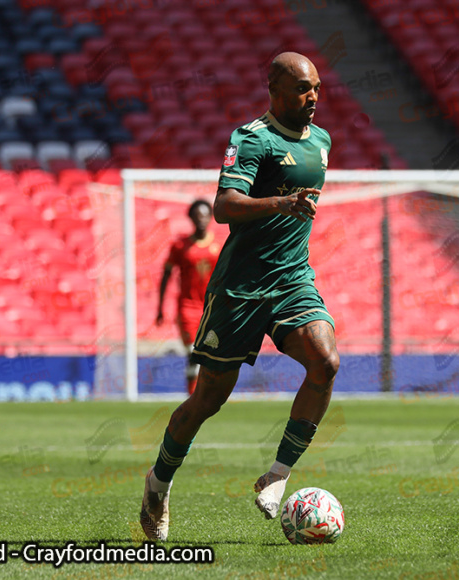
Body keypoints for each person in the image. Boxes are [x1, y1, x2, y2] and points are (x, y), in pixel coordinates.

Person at [140, 52, 338, 541]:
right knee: (208, 398)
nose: (312, 96)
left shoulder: (322, 141)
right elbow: (224, 206)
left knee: (326, 362)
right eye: (301, 88)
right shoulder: (253, 138)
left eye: (316, 87)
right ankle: (159, 481)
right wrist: (281, 202)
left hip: (292, 280)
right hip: (241, 288)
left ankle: (278, 474)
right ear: (274, 88)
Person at [156, 200, 220, 395]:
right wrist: (159, 308)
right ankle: (193, 399)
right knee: (194, 353)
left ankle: (204, 398)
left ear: (211, 217)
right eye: (197, 215)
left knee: (210, 355)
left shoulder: (218, 245)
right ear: (191, 218)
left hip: (213, 308)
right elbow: (165, 276)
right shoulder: (180, 246)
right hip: (187, 308)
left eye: (205, 215)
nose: (201, 219)